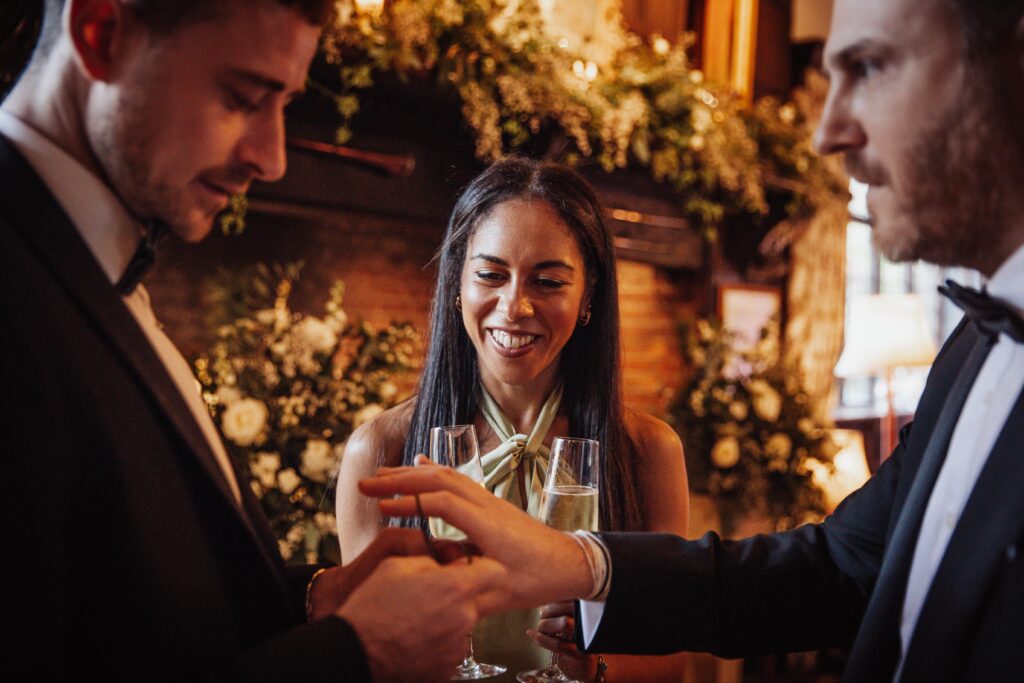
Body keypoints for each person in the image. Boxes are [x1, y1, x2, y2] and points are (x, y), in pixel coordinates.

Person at [359, 0, 1024, 681]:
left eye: (872, 65)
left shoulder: (643, 446)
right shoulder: (971, 352)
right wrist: (581, 562)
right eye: (490, 274)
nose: (827, 133)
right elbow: (833, 568)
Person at [1, 1, 508, 679]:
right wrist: (355, 653)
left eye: (287, 105)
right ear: (102, 35)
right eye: (243, 97)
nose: (270, 159)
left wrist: (317, 598)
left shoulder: (98, 258)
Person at [336, 158, 689, 680]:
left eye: (547, 282)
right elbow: (360, 655)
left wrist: (594, 666)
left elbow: (671, 663)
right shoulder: (381, 449)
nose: (514, 306)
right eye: (490, 275)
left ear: (588, 295)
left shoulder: (647, 450)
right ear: (457, 283)